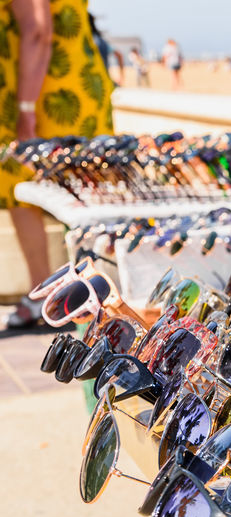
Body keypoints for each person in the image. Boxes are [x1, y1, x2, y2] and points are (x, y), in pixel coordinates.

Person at [3, 0, 115, 329]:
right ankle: (96, 292)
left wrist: (25, 107)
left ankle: (54, 295)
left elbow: (38, 28)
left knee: (21, 191)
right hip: (75, 82)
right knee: (87, 190)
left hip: (45, 94)